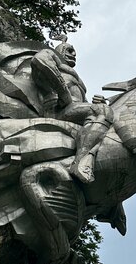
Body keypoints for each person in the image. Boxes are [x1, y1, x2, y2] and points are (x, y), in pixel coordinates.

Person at [30, 36, 114, 184]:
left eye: (74, 52)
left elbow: (82, 104)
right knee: (99, 111)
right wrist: (62, 92)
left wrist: (98, 102)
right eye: (69, 50)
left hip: (74, 109)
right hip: (57, 110)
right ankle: (81, 162)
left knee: (104, 112)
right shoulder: (51, 56)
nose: (74, 54)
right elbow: (39, 61)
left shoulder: (77, 79)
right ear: (60, 50)